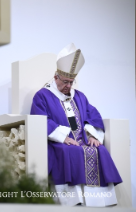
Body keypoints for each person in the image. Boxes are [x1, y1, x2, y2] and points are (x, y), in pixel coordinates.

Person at [30, 43, 122, 207]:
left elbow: (92, 115)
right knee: (70, 150)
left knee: (99, 149)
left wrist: (92, 135)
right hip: (58, 143)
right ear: (55, 77)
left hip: (81, 140)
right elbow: (40, 119)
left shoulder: (79, 96)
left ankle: (99, 201)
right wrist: (63, 137)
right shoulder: (42, 96)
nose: (69, 86)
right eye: (65, 82)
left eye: (72, 82)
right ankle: (74, 201)